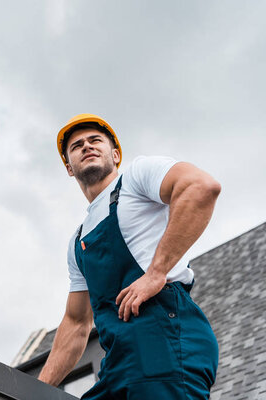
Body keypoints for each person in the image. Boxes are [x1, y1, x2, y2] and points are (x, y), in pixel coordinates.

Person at [38, 114, 220, 399]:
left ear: (116, 154)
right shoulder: (78, 241)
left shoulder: (137, 176)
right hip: (118, 363)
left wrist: (156, 273)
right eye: (77, 145)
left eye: (95, 140)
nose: (87, 146)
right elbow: (76, 323)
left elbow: (200, 187)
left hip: (163, 341)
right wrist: (33, 390)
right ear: (69, 168)